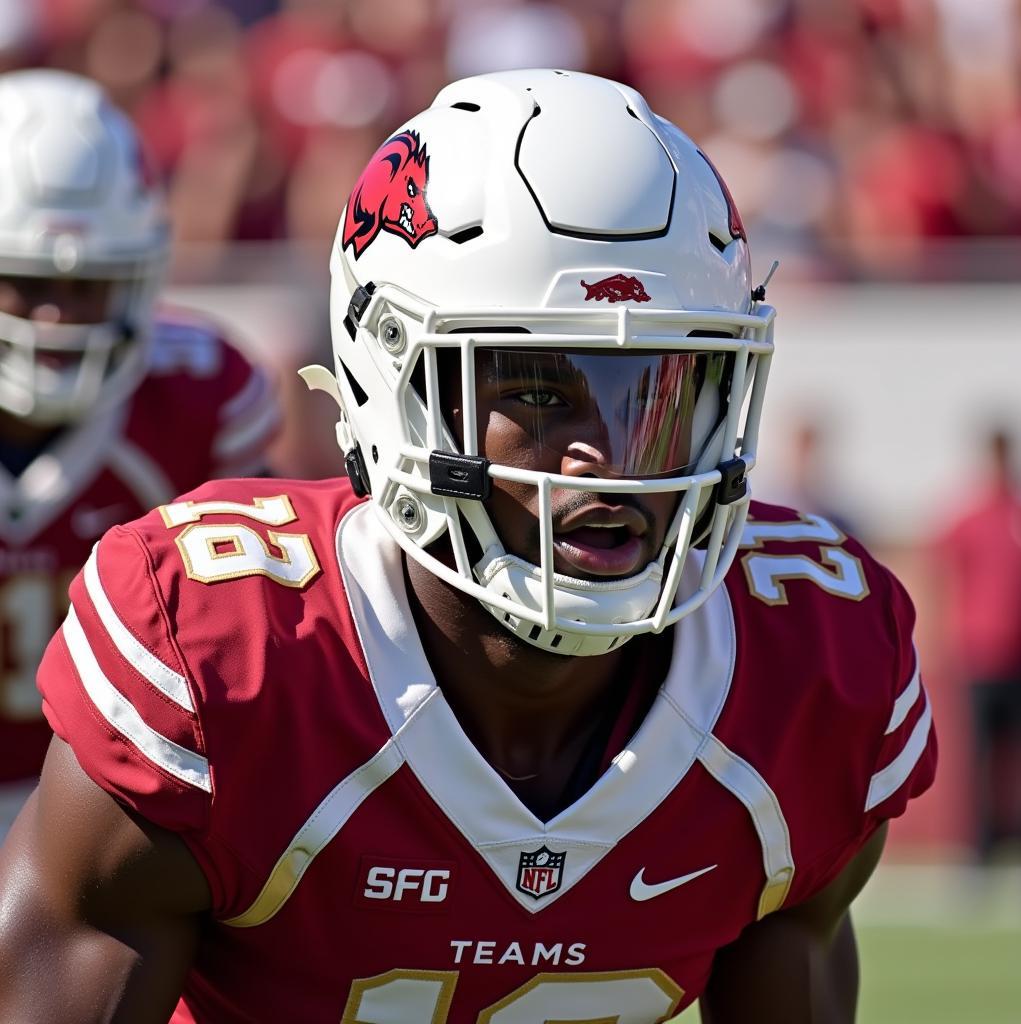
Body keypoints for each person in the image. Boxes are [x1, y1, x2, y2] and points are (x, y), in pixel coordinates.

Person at [0, 70, 935, 1023]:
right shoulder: (228, 657)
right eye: (535, 391)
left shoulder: (811, 667)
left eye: (657, 392)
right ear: (393, 386)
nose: (607, 461)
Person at [0, 69, 279, 842]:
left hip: (118, 812)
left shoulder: (200, 399)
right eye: (22, 283)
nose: (56, 318)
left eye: (90, 285)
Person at [936, 426, 1021, 861]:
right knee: (979, 757)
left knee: (1014, 757)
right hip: (978, 656)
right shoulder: (967, 517)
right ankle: (981, 849)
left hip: (1019, 659)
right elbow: (942, 576)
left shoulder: (1017, 513)